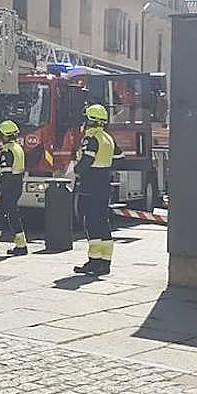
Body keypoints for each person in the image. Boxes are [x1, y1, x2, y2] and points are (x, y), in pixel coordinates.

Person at [74, 103, 122, 276]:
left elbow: (86, 161)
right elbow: (119, 156)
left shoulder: (91, 138)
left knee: (91, 222)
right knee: (103, 222)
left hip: (90, 184)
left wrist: (76, 170)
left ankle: (94, 262)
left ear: (91, 121)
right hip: (104, 183)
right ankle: (105, 263)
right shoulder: (108, 138)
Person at [0, 119, 29, 256]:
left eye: (0, 135)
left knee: (12, 214)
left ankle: (21, 246)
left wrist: (0, 190)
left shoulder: (7, 151)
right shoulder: (18, 148)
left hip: (9, 185)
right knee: (1, 212)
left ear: (4, 136)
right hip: (17, 183)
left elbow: (6, 174)